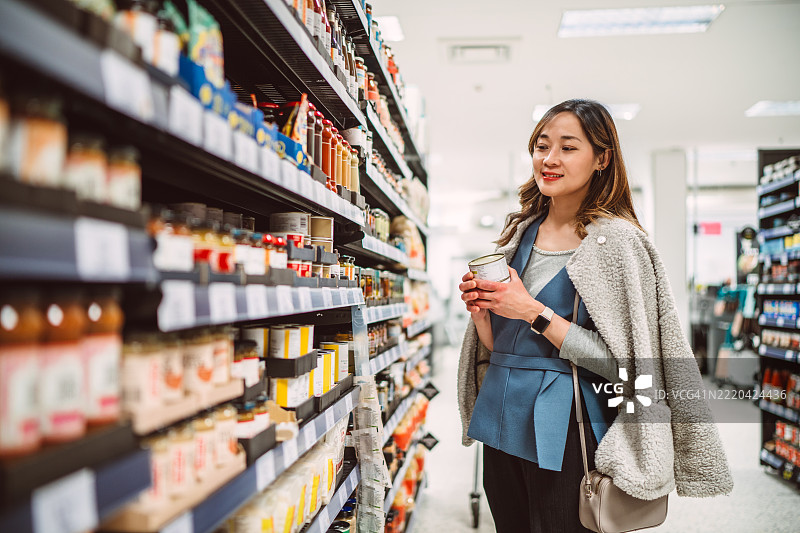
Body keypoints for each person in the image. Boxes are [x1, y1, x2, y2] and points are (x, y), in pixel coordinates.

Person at [457, 99, 733, 533]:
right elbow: (503, 348)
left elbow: (629, 367)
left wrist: (531, 310)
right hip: (502, 416)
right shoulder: (519, 233)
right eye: (541, 146)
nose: (549, 159)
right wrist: (483, 313)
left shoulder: (618, 244)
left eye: (568, 148)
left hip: (568, 427)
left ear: (601, 158)